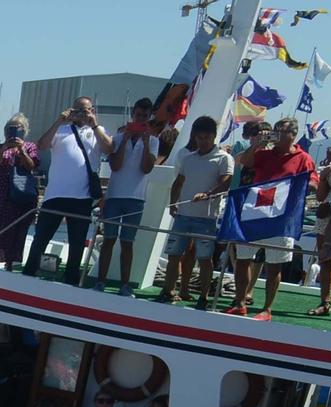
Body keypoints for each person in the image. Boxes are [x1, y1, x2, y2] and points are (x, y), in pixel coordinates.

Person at [224, 118, 317, 319]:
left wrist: (292, 187)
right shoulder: (264, 154)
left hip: (281, 220)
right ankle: (240, 302)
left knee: (274, 265)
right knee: (242, 259)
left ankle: (267, 309)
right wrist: (258, 143)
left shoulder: (304, 158)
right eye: (275, 131)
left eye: (282, 132)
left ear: (293, 134)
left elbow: (314, 184)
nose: (277, 135)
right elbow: (243, 162)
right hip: (255, 213)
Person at [24, 96, 111, 285]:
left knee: (77, 241)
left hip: (81, 197)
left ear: (92, 110)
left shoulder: (98, 131)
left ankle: (71, 278)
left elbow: (109, 149)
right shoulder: (61, 130)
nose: (81, 114)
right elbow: (42, 145)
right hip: (55, 194)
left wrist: (94, 125)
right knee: (41, 237)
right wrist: (58, 121)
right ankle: (29, 271)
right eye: (77, 110)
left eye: (85, 110)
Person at [158, 115, 235, 308]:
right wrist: (173, 203)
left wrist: (207, 194)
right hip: (183, 215)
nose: (202, 141)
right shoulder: (188, 158)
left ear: (214, 136)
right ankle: (168, 290)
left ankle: (203, 296)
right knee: (174, 254)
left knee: (204, 258)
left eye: (206, 137)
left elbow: (226, 183)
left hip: (206, 218)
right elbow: (179, 182)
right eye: (199, 138)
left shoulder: (224, 158)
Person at [92, 97, 156, 291]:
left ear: (149, 118)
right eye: (138, 115)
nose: (141, 119)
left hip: (136, 199)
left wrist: (145, 144)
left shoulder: (153, 141)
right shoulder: (118, 139)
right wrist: (126, 139)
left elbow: (147, 168)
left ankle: (125, 284)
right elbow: (115, 166)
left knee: (128, 243)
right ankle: (100, 281)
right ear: (132, 115)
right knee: (108, 240)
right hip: (114, 197)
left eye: (145, 116)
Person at [0, 114, 40, 268]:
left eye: (18, 129)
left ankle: (10, 263)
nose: (13, 132)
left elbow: (31, 166)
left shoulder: (30, 147)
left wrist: (21, 150)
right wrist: (3, 149)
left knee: (15, 229)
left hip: (19, 193)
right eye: (10, 129)